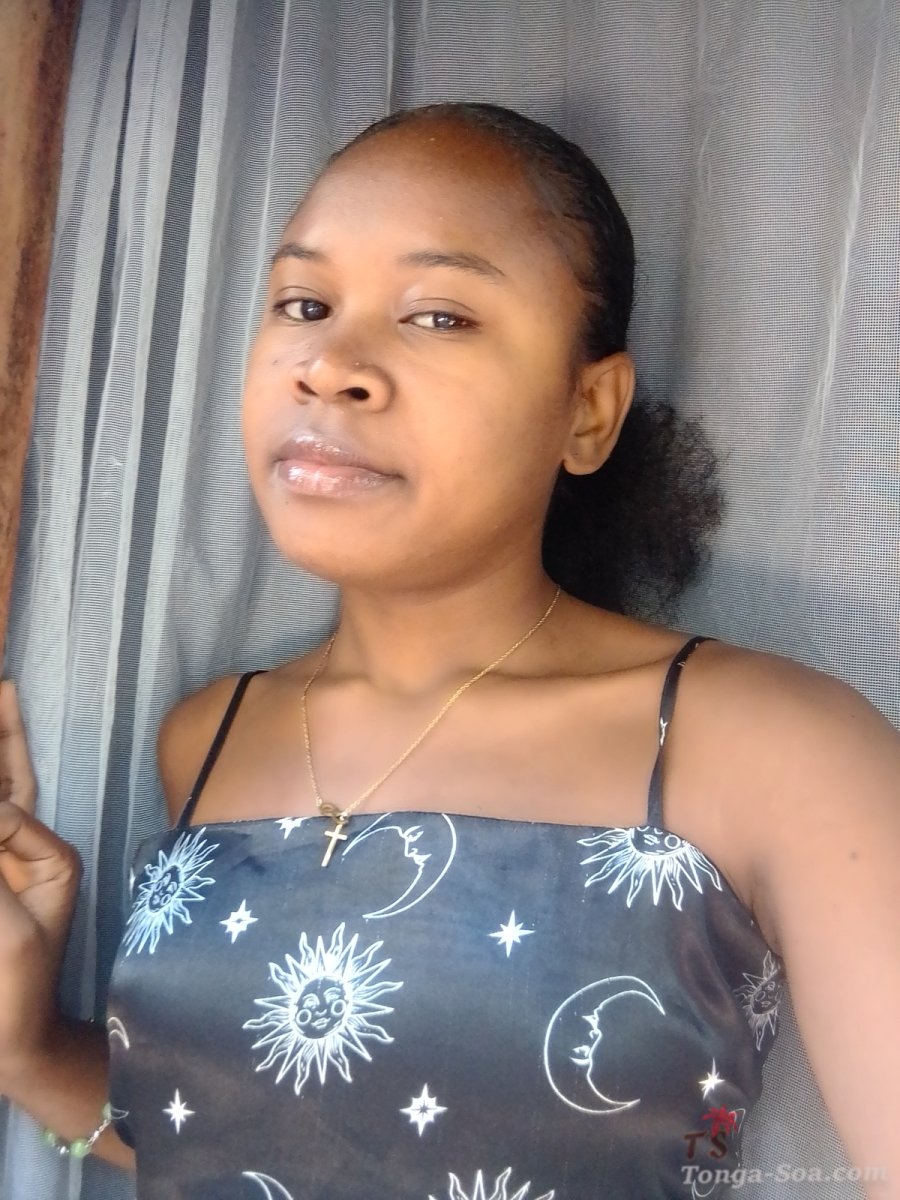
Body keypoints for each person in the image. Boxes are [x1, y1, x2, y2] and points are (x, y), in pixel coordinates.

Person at [0, 102, 897, 1200]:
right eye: (304, 304)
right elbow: (238, 1136)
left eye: (437, 316)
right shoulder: (208, 738)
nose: (331, 365)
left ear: (588, 410)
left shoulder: (768, 746)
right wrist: (30, 1049)